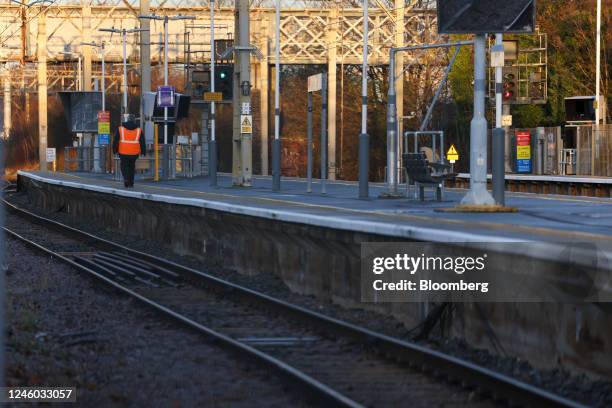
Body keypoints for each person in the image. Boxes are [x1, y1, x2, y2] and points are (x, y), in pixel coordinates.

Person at [112, 114, 146, 188]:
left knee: (124, 166)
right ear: (134, 121)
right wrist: (143, 152)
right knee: (131, 167)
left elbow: (115, 141)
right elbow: (142, 142)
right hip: (134, 152)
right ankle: (131, 183)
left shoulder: (120, 129)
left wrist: (115, 150)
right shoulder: (139, 130)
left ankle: (126, 179)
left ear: (127, 120)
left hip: (123, 152)